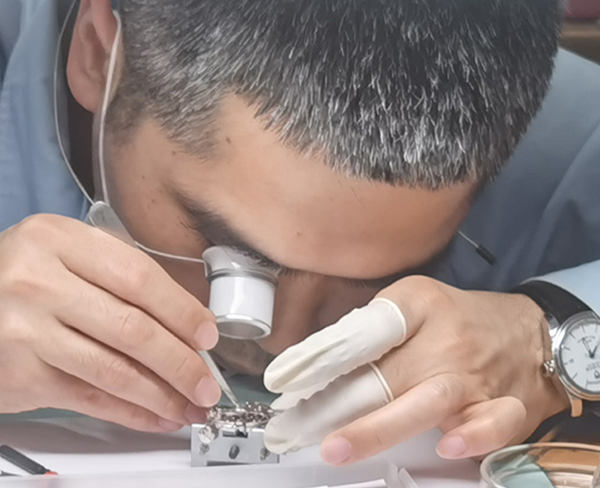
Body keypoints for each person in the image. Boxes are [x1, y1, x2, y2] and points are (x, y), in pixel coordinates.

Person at [1, 0, 600, 467]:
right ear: (98, 53)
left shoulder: (564, 142)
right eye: (233, 256)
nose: (282, 347)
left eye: (372, 281)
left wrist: (549, 334)